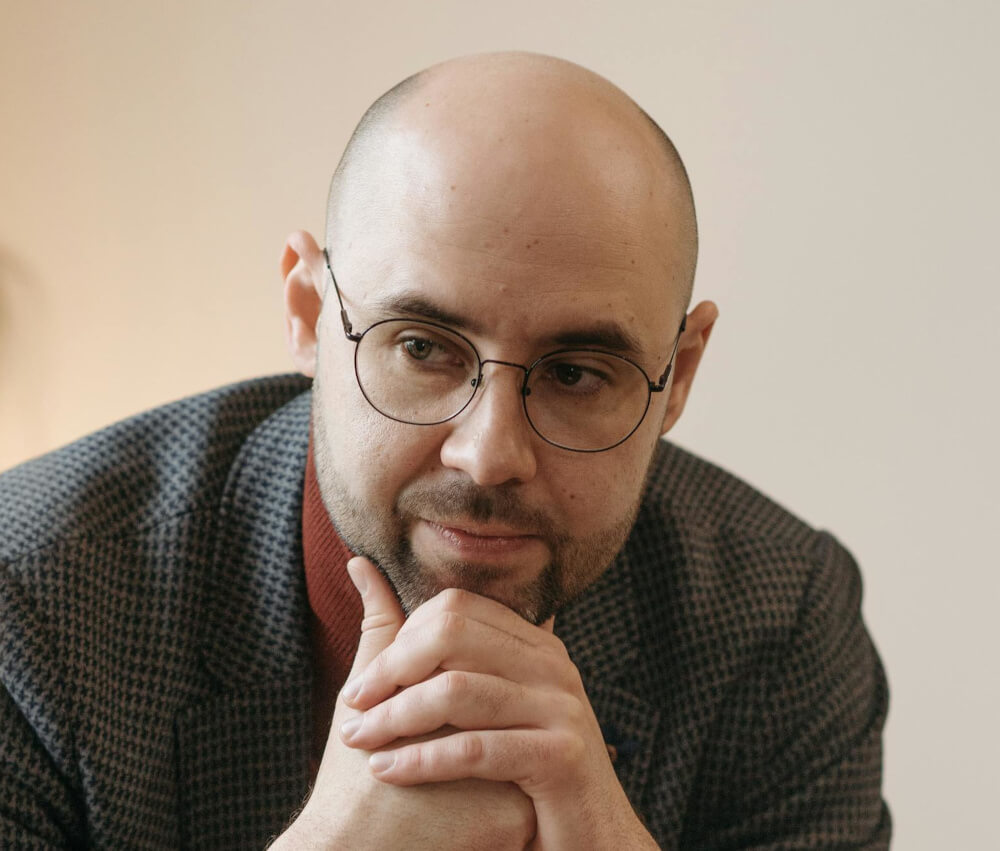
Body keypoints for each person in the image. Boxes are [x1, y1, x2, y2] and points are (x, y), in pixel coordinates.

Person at [0, 52, 890, 849]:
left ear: (678, 373)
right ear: (309, 317)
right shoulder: (33, 601)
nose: (488, 454)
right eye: (423, 347)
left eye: (578, 371)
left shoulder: (779, 619)